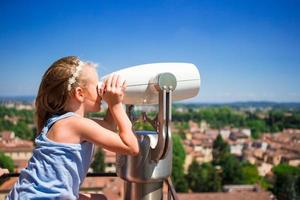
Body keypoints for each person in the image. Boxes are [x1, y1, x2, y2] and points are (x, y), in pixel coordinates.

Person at [6, 56, 139, 200]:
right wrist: (116, 105)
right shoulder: (76, 125)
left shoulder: (63, 122)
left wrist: (114, 97)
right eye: (97, 86)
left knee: (100, 198)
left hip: (26, 194)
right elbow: (131, 147)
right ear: (80, 93)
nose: (101, 90)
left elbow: (109, 126)